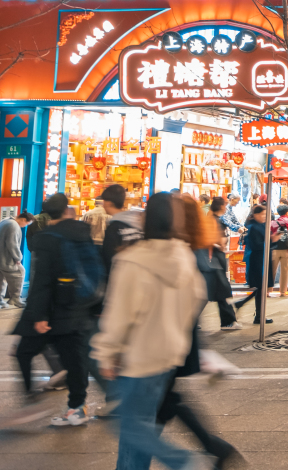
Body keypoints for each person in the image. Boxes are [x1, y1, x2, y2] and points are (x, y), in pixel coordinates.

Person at [92, 194, 208, 469]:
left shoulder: (134, 260)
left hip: (138, 356)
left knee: (129, 426)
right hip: (168, 356)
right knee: (142, 424)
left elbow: (120, 313)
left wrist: (106, 352)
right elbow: (196, 298)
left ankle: (182, 460)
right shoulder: (184, 256)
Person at [14, 193, 94, 425]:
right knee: (74, 359)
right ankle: (77, 407)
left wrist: (39, 315)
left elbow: (43, 280)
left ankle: (31, 404)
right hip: (77, 306)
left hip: (51, 310)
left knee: (24, 352)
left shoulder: (48, 237)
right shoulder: (82, 232)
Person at [204, 198, 241, 331]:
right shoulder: (213, 220)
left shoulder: (214, 219)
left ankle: (228, 321)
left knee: (215, 291)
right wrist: (219, 244)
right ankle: (228, 321)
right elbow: (208, 239)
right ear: (221, 206)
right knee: (222, 290)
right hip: (212, 259)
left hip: (214, 259)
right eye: (225, 205)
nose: (226, 208)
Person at [233, 205, 271, 325]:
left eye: (266, 215)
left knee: (261, 288)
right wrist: (271, 240)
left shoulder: (261, 226)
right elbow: (256, 245)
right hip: (257, 261)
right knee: (261, 288)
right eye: (262, 214)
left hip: (262, 260)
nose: (264, 217)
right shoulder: (253, 227)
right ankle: (258, 315)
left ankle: (255, 312)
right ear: (255, 215)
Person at [100, 185, 144, 277]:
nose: (103, 205)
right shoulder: (138, 225)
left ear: (108, 203)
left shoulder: (114, 228)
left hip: (120, 277)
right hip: (138, 275)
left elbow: (108, 258)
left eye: (103, 202)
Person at [0, 211, 29, 308]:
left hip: (1, 258)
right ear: (24, 219)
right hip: (7, 259)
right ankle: (15, 299)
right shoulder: (14, 225)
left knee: (1, 279)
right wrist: (18, 257)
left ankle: (0, 300)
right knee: (20, 272)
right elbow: (13, 244)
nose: (25, 226)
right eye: (27, 223)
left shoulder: (5, 221)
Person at [269, 203, 288, 297]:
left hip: (274, 249)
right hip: (286, 249)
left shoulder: (273, 222)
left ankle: (268, 291)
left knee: (271, 271)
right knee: (285, 271)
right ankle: (283, 292)